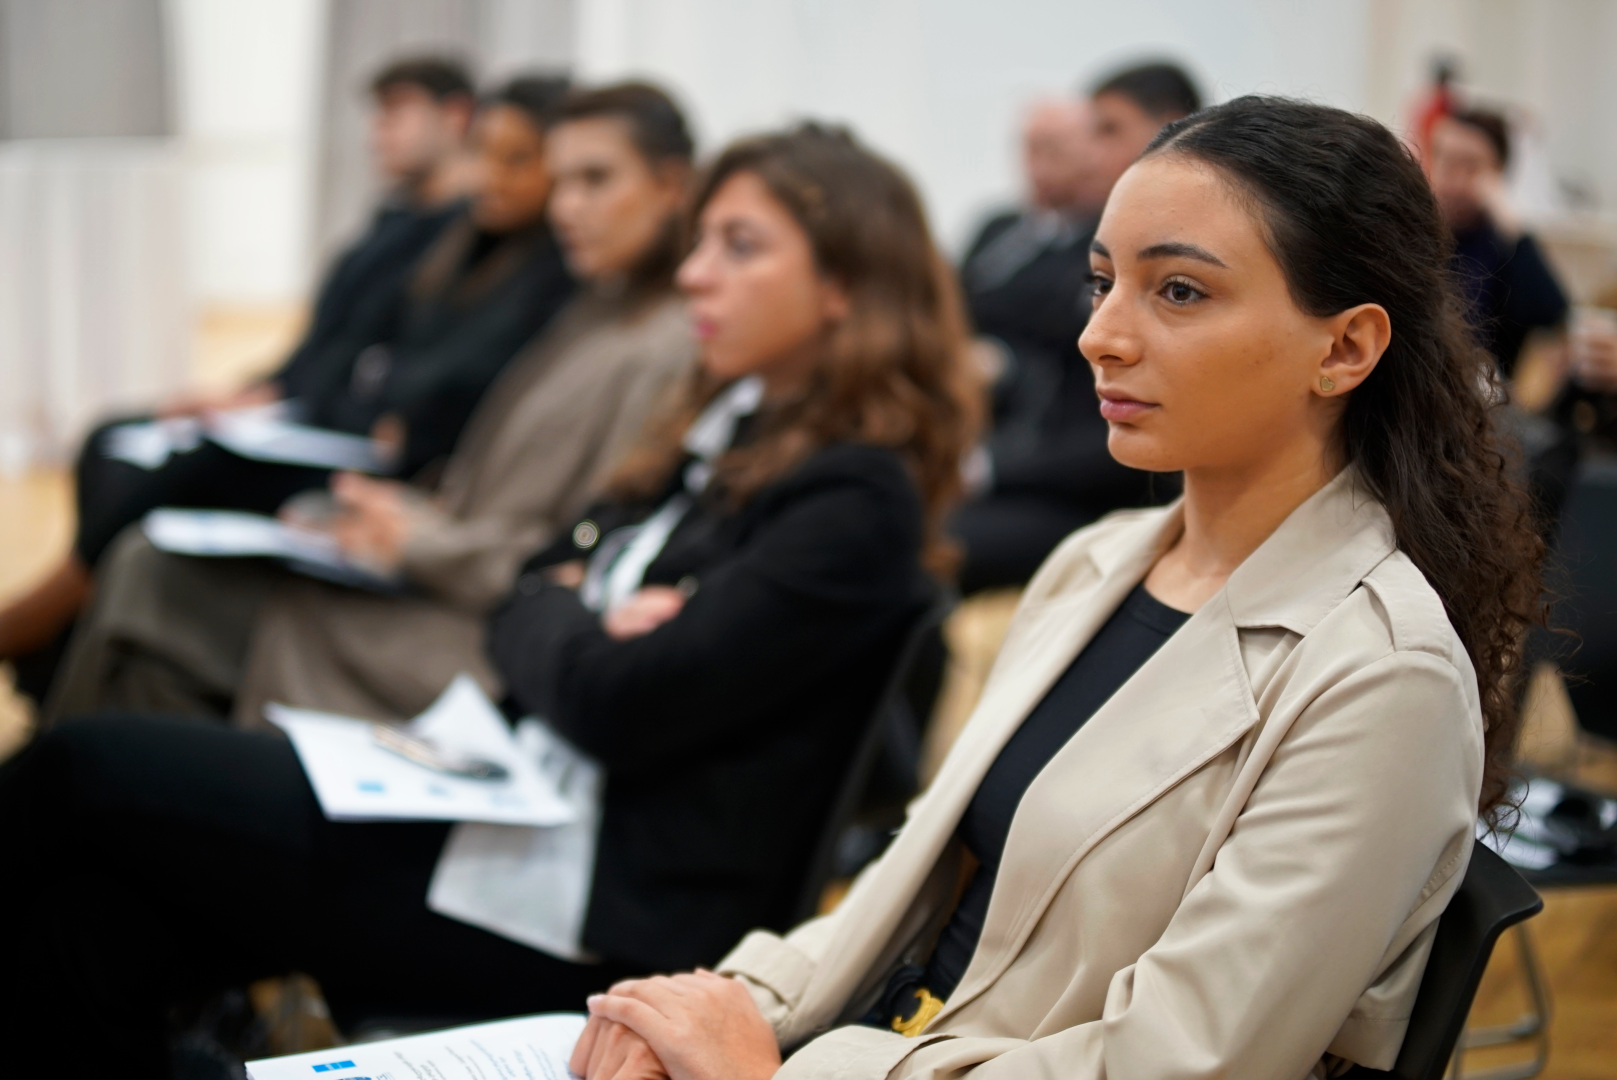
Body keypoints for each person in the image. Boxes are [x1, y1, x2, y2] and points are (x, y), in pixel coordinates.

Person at [565, 96, 1546, 1080]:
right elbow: (908, 884)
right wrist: (714, 1008)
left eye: (1180, 293)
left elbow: (1177, 1064)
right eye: (1102, 282)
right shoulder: (1097, 562)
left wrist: (771, 1072)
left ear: (1344, 349)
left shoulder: (1384, 675)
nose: (1101, 336)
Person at [0, 123, 982, 1078]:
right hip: (495, 803)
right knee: (90, 920)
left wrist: (573, 618)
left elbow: (616, 702)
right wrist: (578, 621)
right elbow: (528, 592)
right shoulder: (725, 421)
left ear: (845, 284)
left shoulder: (856, 497)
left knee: (79, 769)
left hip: (577, 907)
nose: (694, 274)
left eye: (741, 247)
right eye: (701, 245)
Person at [41, 82, 700, 726]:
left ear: (671, 188)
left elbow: (568, 553)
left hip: (464, 629)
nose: (567, 207)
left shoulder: (659, 347)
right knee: (149, 558)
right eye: (563, 183)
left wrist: (418, 539)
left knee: (154, 577)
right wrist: (405, 516)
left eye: (595, 180)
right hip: (439, 567)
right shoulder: (596, 310)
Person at [950, 61, 1200, 593]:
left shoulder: (1169, 252)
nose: (1089, 153)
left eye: (1106, 131)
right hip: (1037, 457)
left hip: (1107, 488)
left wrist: (989, 467)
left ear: (1172, 129)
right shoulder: (1006, 229)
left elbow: (1102, 436)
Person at [1428, 106, 1570, 377]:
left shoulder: (1505, 246)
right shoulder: (1417, 234)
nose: (1453, 180)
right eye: (1445, 161)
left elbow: (1553, 315)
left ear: (1498, 174)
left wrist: (1508, 217)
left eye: (1469, 166)